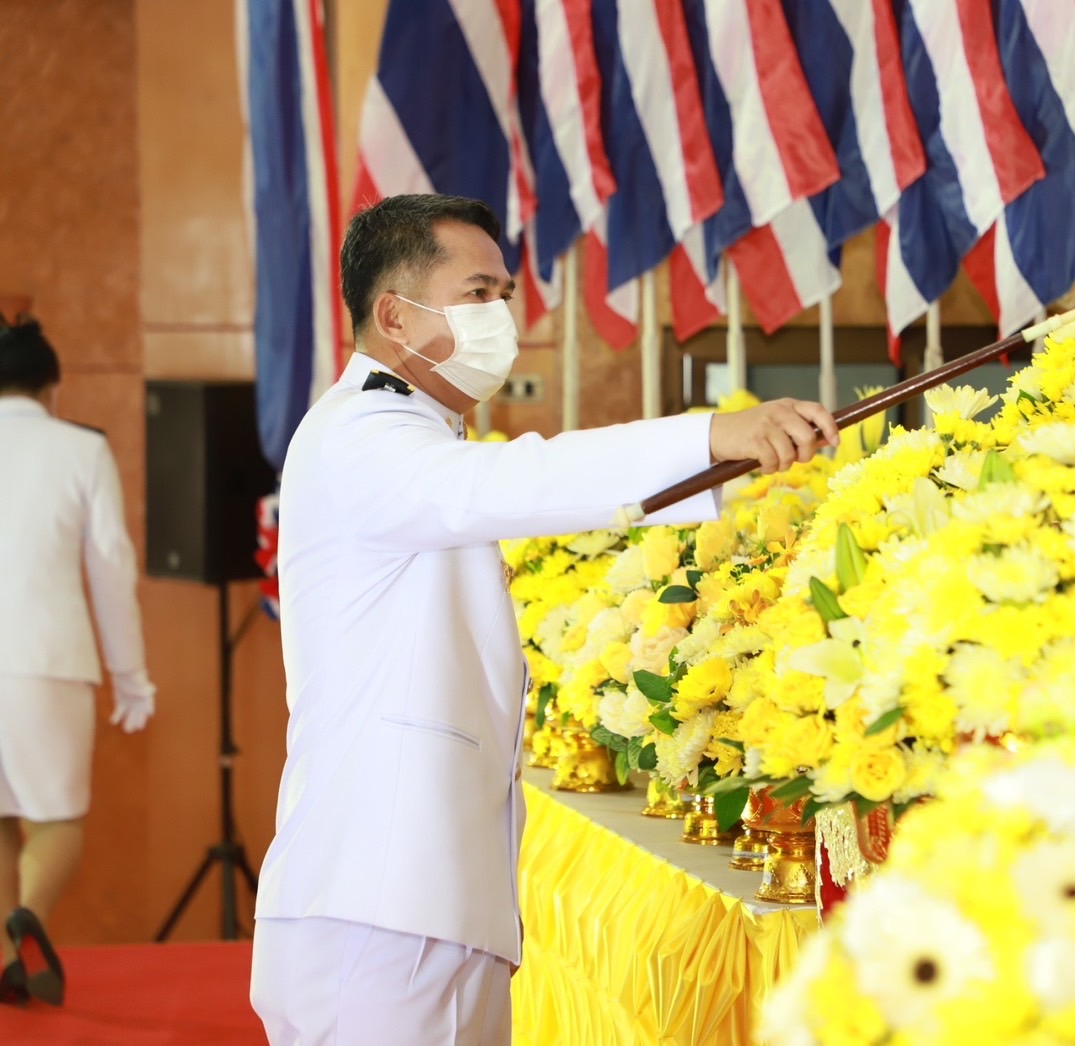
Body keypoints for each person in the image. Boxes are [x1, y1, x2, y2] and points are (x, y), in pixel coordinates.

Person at [249, 193, 838, 1044]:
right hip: (380, 899)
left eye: (504, 292)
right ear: (395, 317)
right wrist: (713, 433)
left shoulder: (412, 436)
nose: (504, 316)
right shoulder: (359, 435)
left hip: (425, 898)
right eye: (478, 292)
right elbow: (519, 481)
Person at [0, 318, 157, 1008]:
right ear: (53, 387)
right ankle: (21, 922)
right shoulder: (79, 449)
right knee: (56, 818)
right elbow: (110, 568)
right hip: (47, 659)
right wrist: (131, 676)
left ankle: (6, 955)